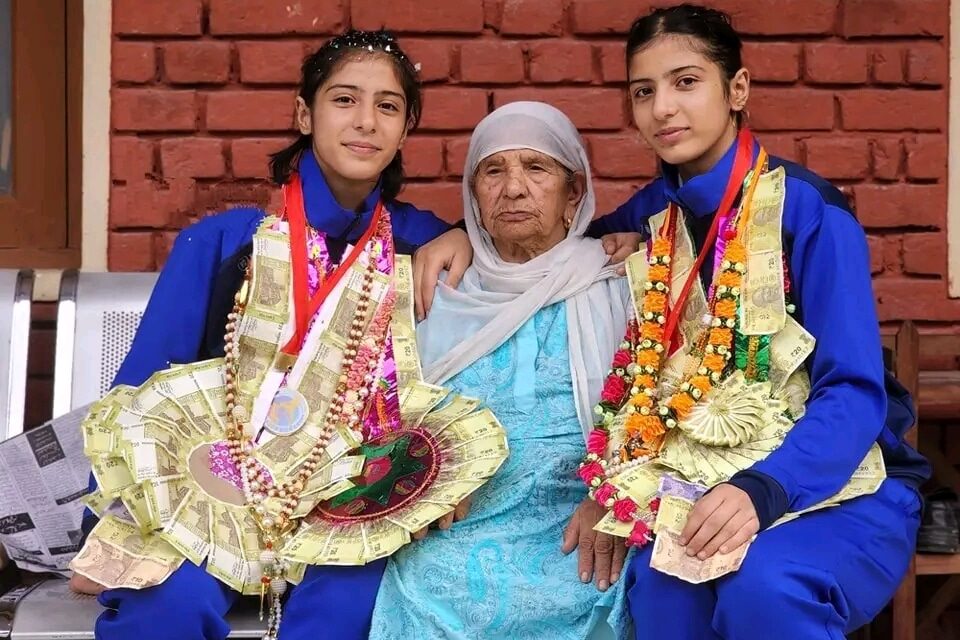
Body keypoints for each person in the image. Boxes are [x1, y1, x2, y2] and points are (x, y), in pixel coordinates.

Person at [412, 5, 930, 639]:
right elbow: (551, 237)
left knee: (765, 592)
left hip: (831, 484)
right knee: (658, 594)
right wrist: (460, 235)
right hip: (706, 480)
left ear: (737, 90)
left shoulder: (809, 212)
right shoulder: (659, 210)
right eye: (643, 91)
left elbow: (853, 392)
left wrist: (764, 489)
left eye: (686, 82)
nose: (663, 108)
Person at [76, 29, 453, 640]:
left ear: (406, 128)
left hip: (346, 499)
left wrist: (458, 237)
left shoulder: (419, 242)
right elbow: (144, 387)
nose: (365, 122)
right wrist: (113, 522)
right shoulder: (226, 242)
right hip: (220, 488)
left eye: (387, 106)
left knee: (344, 616)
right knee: (164, 607)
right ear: (304, 113)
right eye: (343, 100)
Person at [368, 100, 632, 639]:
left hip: (583, 522)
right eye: (493, 171)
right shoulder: (438, 290)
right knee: (428, 586)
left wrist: (614, 498)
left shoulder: (622, 281)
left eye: (536, 168)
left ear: (573, 192)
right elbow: (382, 414)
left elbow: (660, 412)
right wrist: (418, 480)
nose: (513, 188)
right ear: (473, 194)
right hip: (455, 526)